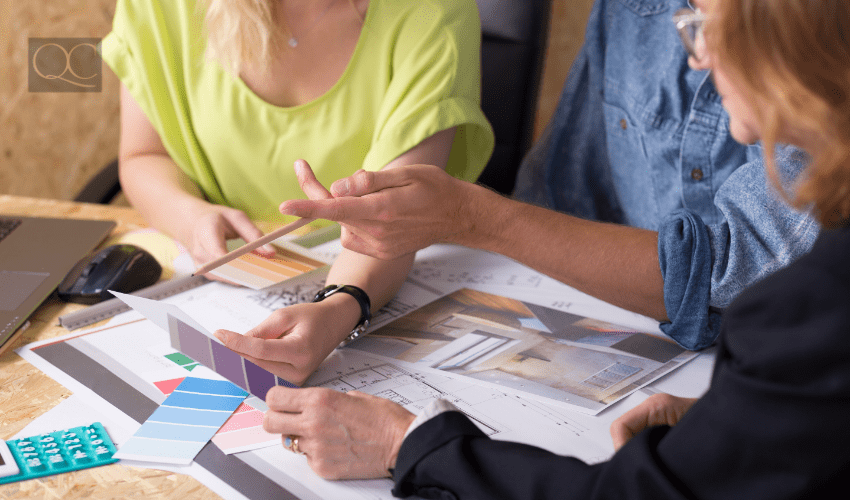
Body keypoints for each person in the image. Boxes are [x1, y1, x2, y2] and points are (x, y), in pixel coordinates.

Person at [263, 0, 850, 497]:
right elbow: (560, 190)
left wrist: (407, 444)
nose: (695, 55)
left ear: (788, 43)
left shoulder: (809, 308)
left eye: (704, 25)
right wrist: (724, 422)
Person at [278, 0, 820, 352]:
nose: (699, 55)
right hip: (623, 346)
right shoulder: (632, 11)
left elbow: (739, 276)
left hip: (766, 374)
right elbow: (561, 190)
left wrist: (474, 217)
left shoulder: (818, 34)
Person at [101, 0, 494, 384]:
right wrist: (190, 217)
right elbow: (144, 155)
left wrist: (340, 306)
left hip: (365, 274)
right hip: (217, 286)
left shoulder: (436, 10)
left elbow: (391, 219)